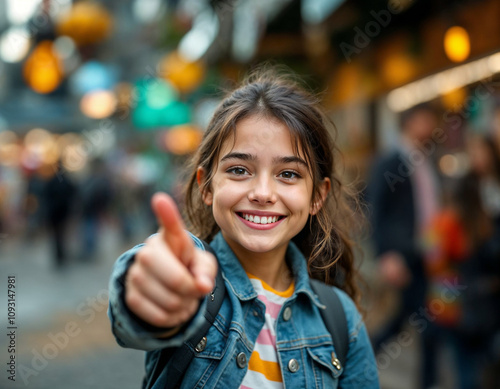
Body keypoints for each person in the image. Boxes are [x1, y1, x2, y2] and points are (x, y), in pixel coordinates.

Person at [108, 68, 379, 388]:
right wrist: (151, 293)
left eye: (289, 174)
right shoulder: (194, 277)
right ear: (206, 185)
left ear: (317, 196)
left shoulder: (341, 319)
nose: (262, 193)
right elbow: (143, 293)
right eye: (239, 170)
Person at [366, 103, 441, 388]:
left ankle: (361, 359)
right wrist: (386, 254)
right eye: (426, 120)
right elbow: (377, 210)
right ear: (411, 121)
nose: (431, 127)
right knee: (423, 322)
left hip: (428, 254)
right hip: (405, 255)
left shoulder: (425, 158)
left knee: (411, 320)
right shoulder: (391, 159)